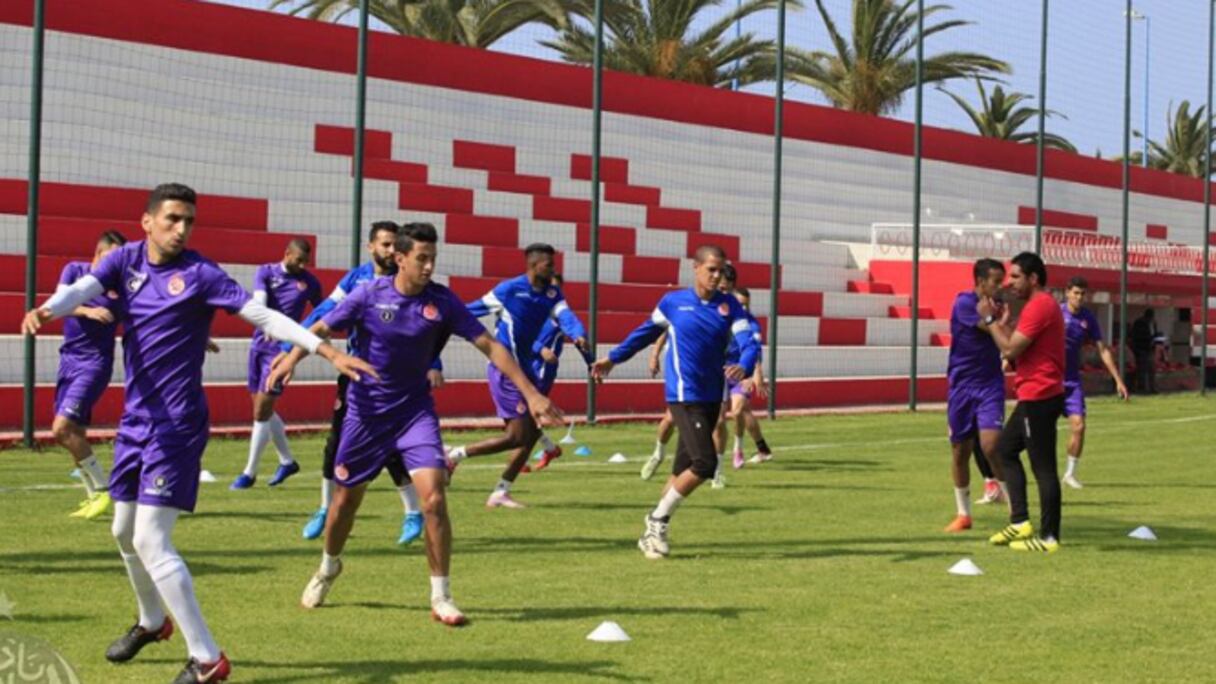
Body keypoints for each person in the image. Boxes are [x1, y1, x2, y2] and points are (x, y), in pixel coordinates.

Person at [23, 183, 373, 683]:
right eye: (172, 219)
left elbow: (263, 315)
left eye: (189, 220)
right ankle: (152, 621)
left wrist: (326, 350)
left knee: (150, 538)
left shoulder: (201, 273)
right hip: (136, 421)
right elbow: (84, 289)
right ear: (147, 222)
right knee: (123, 531)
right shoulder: (125, 260)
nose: (182, 228)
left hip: (178, 424)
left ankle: (208, 659)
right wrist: (50, 307)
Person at [267, 223, 561, 625]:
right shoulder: (369, 294)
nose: (428, 267)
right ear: (400, 258)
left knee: (434, 500)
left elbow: (491, 345)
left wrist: (532, 394)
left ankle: (441, 596)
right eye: (421, 258)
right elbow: (321, 327)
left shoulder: (442, 301)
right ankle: (329, 567)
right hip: (365, 415)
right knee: (345, 503)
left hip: (415, 415)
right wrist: (290, 358)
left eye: (433, 259)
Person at [591, 245, 759, 559]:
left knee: (681, 469)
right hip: (684, 395)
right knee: (705, 464)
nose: (717, 276)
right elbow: (644, 333)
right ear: (695, 268)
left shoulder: (730, 306)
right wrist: (613, 358)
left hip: (712, 396)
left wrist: (745, 365)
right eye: (711, 269)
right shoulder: (673, 302)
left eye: (721, 271)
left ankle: (651, 536)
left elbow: (749, 343)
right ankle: (657, 521)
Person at [289, 222, 430, 546]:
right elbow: (326, 311)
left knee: (392, 448)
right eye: (384, 244)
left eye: (394, 245)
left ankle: (412, 512)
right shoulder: (357, 280)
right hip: (356, 374)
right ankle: (325, 508)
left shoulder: (408, 282)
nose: (390, 251)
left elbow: (428, 326)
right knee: (335, 442)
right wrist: (292, 344)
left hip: (396, 380)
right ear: (370, 247)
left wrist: (433, 365)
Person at [445, 244, 588, 508]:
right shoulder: (509, 290)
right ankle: (454, 456)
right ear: (533, 265)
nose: (553, 269)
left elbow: (566, 316)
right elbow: (471, 311)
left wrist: (579, 334)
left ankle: (501, 492)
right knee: (517, 436)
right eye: (549, 265)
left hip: (527, 372)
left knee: (531, 435)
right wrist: (442, 320)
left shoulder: (552, 293)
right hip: (505, 372)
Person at [979, 251, 1066, 553]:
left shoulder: (1040, 306)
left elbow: (1010, 350)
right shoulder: (1038, 306)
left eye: (1016, 277)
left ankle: (1049, 538)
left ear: (1033, 278)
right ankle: (1020, 522)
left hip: (1040, 395)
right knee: (1004, 450)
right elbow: (1014, 345)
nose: (1010, 283)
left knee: (1044, 468)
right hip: (1034, 394)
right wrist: (1000, 323)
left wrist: (989, 319)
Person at [231, 238, 323, 490]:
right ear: (287, 254)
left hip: (282, 352)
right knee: (261, 409)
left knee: (261, 411)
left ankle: (249, 473)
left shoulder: (310, 282)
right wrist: (265, 323)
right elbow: (259, 300)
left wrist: (301, 338)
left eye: (306, 262)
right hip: (258, 346)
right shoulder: (266, 272)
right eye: (299, 260)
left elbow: (321, 312)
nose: (302, 265)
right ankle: (287, 462)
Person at [53, 230, 127, 521]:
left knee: (62, 428)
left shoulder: (120, 289)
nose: (115, 265)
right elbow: (59, 302)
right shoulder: (75, 270)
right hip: (68, 360)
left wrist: (195, 337)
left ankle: (103, 489)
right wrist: (86, 311)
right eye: (111, 257)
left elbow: (150, 319)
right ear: (98, 253)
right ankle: (92, 495)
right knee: (75, 434)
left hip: (94, 364)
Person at [943, 258, 1008, 533]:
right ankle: (964, 514)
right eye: (996, 281)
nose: (1000, 286)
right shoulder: (965, 303)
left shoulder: (995, 306)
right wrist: (1000, 319)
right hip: (961, 387)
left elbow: (1003, 333)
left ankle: (1017, 513)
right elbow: (989, 327)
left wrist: (1001, 317)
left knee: (991, 446)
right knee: (960, 451)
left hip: (990, 385)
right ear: (981, 281)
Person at [1060, 277, 1130, 489]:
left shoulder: (1088, 318)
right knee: (1036, 431)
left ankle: (1069, 474)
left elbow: (1103, 350)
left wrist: (1118, 380)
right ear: (1067, 292)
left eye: (1082, 294)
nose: (1079, 297)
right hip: (1050, 380)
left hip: (1072, 382)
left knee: (1079, 426)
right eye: (1076, 293)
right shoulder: (1055, 312)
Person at [522, 273, 576, 473]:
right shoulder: (535, 310)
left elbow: (576, 332)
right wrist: (539, 348)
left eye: (555, 288)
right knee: (523, 415)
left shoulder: (561, 314)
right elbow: (524, 337)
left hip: (543, 371)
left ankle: (521, 460)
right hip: (527, 365)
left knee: (526, 414)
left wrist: (590, 360)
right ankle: (550, 449)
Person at [724, 287, 771, 470]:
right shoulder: (721, 318)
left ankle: (738, 449)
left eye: (747, 305)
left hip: (741, 373)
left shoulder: (752, 324)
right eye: (740, 304)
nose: (744, 308)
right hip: (719, 371)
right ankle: (763, 448)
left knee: (737, 411)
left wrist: (756, 373)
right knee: (743, 412)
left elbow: (755, 350)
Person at [1130, 308, 1158, 394]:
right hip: (1142, 349)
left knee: (1151, 369)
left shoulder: (1153, 324)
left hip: (1150, 349)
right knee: (1142, 369)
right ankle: (1141, 387)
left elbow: (1154, 334)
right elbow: (1137, 336)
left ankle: (1151, 387)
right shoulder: (1139, 323)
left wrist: (1155, 340)